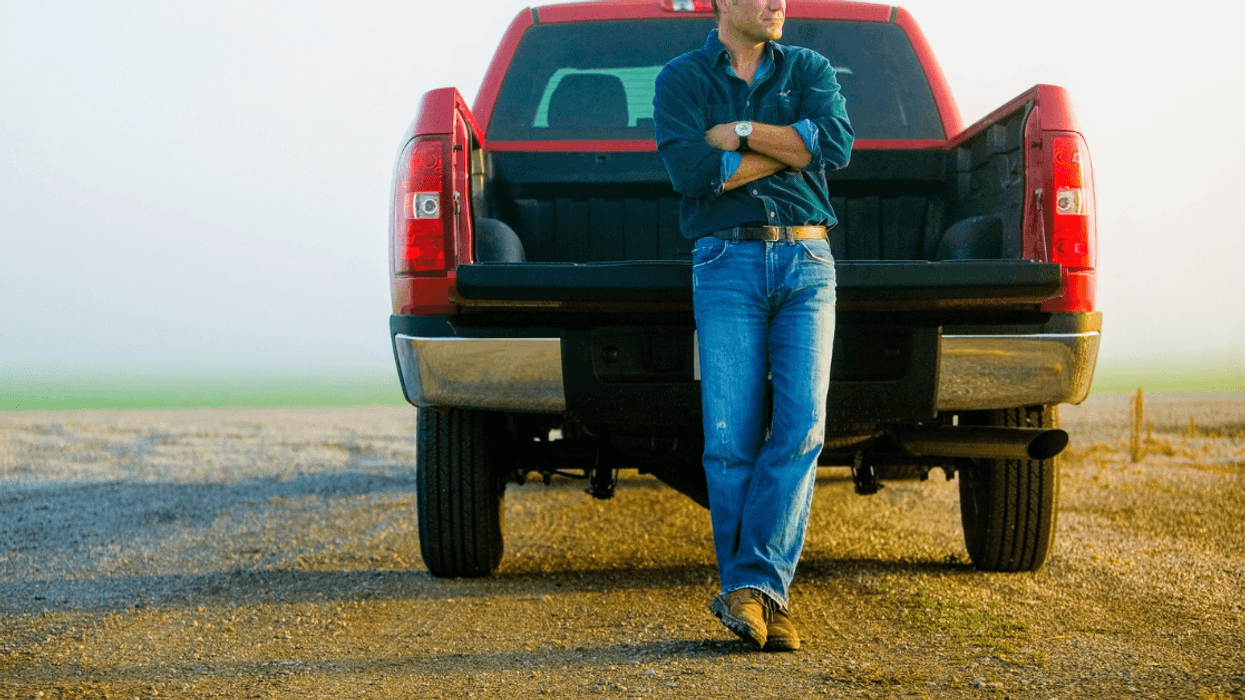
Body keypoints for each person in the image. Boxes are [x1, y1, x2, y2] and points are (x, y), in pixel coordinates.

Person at [653, 0, 853, 651]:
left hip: (807, 258)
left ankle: (754, 588)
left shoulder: (810, 66)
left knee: (800, 425)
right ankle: (761, 594)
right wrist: (791, 146)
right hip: (724, 262)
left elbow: (837, 144)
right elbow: (689, 172)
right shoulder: (680, 78)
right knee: (729, 435)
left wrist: (739, 131)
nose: (777, 4)